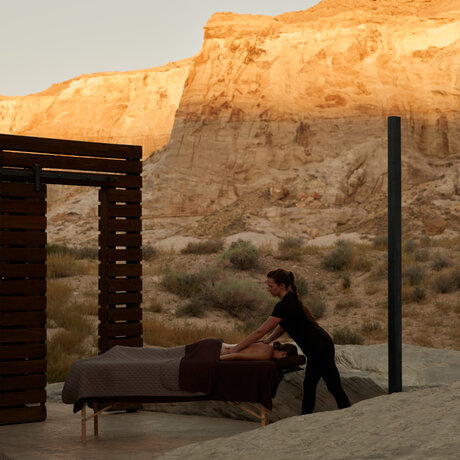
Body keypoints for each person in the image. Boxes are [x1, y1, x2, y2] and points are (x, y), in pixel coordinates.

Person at [223, 268, 351, 414]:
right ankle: (314, 416)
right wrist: (269, 339)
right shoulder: (291, 299)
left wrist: (237, 348)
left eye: (271, 286)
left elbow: (260, 331)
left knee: (327, 385)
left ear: (281, 286)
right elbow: (284, 325)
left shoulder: (284, 305)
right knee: (317, 385)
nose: (268, 289)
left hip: (319, 347)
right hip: (320, 346)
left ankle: (327, 416)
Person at [220, 341, 298, 361]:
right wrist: (215, 359)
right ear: (283, 354)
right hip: (218, 351)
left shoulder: (267, 345)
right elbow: (235, 355)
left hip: (220, 345)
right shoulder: (266, 354)